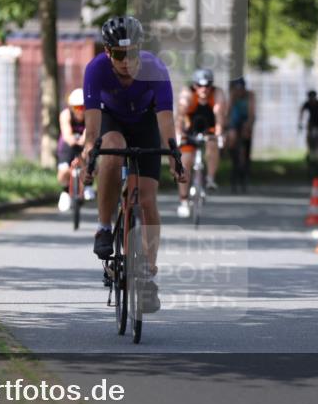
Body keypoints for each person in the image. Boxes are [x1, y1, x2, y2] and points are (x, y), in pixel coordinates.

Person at [81, 16, 187, 312]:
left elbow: (166, 121)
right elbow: (92, 130)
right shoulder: (96, 69)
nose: (125, 62)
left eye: (132, 54)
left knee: (147, 198)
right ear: (107, 52)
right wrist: (89, 158)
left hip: (145, 123)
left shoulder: (155, 69)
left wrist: (175, 157)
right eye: (118, 55)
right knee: (112, 150)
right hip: (112, 122)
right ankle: (104, 227)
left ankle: (149, 274)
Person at [175, 68, 226, 218]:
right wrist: (178, 133)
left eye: (207, 85)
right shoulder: (187, 94)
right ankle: (183, 200)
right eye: (200, 85)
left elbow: (219, 114)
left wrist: (219, 133)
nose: (204, 89)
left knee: (212, 144)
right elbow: (180, 114)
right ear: (194, 85)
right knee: (185, 160)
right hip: (189, 128)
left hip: (210, 127)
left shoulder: (217, 94)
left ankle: (210, 178)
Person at [56, 88, 93, 212]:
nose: (80, 111)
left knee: (90, 160)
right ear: (72, 107)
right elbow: (67, 134)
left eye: (83, 107)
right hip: (67, 144)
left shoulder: (90, 115)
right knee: (64, 171)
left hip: (84, 143)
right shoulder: (65, 114)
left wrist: (84, 142)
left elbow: (88, 132)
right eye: (77, 108)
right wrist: (73, 140)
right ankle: (65, 190)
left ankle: (88, 185)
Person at [226, 77, 256, 192]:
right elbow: (228, 111)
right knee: (232, 138)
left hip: (246, 120)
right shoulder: (233, 96)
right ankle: (233, 159)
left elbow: (251, 112)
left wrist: (248, 125)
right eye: (236, 89)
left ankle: (245, 169)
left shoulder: (250, 95)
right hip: (235, 120)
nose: (239, 91)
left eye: (240, 89)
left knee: (246, 139)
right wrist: (227, 126)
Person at [298, 90, 318, 172]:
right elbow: (301, 113)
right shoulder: (307, 104)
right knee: (308, 135)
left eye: (313, 98)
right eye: (310, 98)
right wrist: (300, 123)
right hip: (312, 123)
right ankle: (308, 150)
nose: (312, 100)